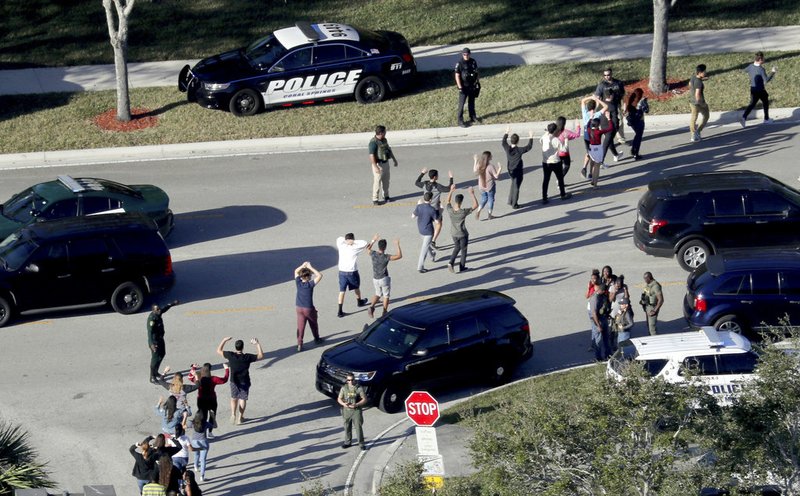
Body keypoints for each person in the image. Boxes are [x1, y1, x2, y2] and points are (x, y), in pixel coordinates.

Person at [216, 336, 264, 425]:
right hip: (244, 381)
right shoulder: (247, 357)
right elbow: (261, 356)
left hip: (234, 380)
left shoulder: (231, 355)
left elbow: (218, 350)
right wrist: (257, 344)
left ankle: (233, 414)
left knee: (233, 398)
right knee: (243, 399)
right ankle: (240, 417)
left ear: (235, 347)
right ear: (243, 347)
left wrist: (224, 340)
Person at [190, 362, 229, 439]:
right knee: (212, 415)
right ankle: (210, 432)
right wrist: (226, 369)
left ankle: (202, 432)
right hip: (212, 400)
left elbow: (191, 377)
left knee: (202, 416)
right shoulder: (214, 379)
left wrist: (193, 368)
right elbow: (224, 380)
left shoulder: (198, 378)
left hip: (201, 399)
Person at [445, 184, 478, 273]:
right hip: (463, 234)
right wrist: (472, 194)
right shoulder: (463, 212)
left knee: (457, 247)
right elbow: (475, 205)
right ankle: (462, 266)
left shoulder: (450, 210)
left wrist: (451, 190)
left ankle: (451, 262)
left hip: (453, 233)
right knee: (463, 250)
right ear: (461, 202)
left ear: (455, 201)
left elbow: (447, 201)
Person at [414, 168, 452, 247]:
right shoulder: (438, 186)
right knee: (439, 224)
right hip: (435, 209)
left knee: (427, 222)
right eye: (437, 175)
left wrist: (422, 173)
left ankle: (427, 238)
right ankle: (433, 240)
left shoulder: (424, 184)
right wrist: (451, 178)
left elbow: (416, 183)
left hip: (426, 207)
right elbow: (448, 188)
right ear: (434, 177)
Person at [594, 67, 625, 162]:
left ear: (612, 74)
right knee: (609, 135)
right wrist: (596, 111)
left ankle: (615, 154)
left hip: (615, 109)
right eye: (605, 75)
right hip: (605, 111)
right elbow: (597, 97)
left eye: (609, 75)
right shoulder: (601, 85)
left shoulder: (618, 83)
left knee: (614, 129)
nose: (607, 77)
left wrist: (624, 105)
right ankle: (601, 159)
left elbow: (623, 95)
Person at [366, 237, 402, 318]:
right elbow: (399, 256)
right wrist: (397, 245)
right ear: (385, 247)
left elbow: (367, 249)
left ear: (378, 246)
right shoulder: (386, 257)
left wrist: (373, 240)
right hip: (384, 278)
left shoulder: (373, 253)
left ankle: (371, 306)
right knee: (386, 295)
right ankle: (384, 312)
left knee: (378, 294)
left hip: (375, 278)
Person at [335, 233, 369, 317]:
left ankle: (340, 311)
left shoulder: (341, 245)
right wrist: (353, 242)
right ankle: (359, 301)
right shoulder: (355, 248)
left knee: (342, 291)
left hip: (342, 272)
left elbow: (339, 238)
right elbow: (364, 242)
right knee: (356, 287)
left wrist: (346, 241)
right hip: (352, 272)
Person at [501, 126, 534, 209]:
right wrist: (531, 137)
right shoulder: (519, 150)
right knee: (516, 187)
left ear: (511, 140)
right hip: (518, 171)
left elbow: (503, 142)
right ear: (518, 141)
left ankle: (510, 200)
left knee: (513, 184)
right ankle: (514, 204)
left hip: (510, 170)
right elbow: (529, 147)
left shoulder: (507, 148)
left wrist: (506, 132)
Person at [741, 51, 777, 126]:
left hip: (753, 89)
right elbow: (766, 80)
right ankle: (766, 119)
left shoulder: (750, 66)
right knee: (765, 102)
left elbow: (744, 70)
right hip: (760, 90)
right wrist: (773, 72)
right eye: (763, 58)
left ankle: (744, 117)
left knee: (752, 104)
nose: (764, 59)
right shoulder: (761, 69)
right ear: (760, 60)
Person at [294, 261, 323, 351]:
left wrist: (302, 266)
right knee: (313, 324)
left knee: (300, 326)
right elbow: (319, 275)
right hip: (308, 309)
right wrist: (310, 267)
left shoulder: (298, 283)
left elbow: (295, 271)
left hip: (299, 308)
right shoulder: (310, 285)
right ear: (308, 277)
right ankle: (317, 339)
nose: (311, 277)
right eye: (310, 275)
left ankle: (299, 344)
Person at [147, 300, 179, 384]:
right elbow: (149, 333)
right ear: (153, 310)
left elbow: (164, 309)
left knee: (162, 354)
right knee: (155, 359)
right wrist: (152, 344)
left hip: (160, 339)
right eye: (157, 309)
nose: (159, 310)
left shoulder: (158, 313)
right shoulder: (152, 319)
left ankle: (156, 372)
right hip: (155, 342)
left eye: (159, 308)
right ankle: (152, 377)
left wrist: (172, 304)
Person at [540, 122, 572, 204]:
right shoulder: (555, 140)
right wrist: (566, 140)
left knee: (546, 180)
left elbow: (540, 141)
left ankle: (544, 197)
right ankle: (563, 194)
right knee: (560, 178)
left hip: (545, 162)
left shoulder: (544, 137)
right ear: (554, 131)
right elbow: (564, 149)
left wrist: (546, 133)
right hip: (555, 162)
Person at [337, 373, 368, 450]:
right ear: (347, 380)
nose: (350, 381)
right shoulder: (344, 388)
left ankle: (361, 443)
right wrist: (344, 404)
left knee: (358, 427)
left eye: (352, 380)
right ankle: (348, 442)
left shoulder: (358, 388)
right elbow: (339, 398)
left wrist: (357, 404)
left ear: (354, 379)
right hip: (346, 410)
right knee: (347, 427)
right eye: (349, 380)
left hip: (356, 410)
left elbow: (364, 399)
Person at [369, 125, 398, 205]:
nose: (386, 133)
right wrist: (376, 167)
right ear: (381, 133)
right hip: (378, 164)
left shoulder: (384, 140)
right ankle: (375, 199)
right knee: (377, 182)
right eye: (385, 132)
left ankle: (386, 196)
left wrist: (394, 160)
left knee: (386, 181)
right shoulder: (373, 143)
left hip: (385, 163)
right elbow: (371, 156)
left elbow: (389, 150)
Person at [579, 96, 608, 176]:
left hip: (586, 135)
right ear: (595, 107)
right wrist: (597, 99)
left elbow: (583, 101)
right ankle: (590, 172)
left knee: (588, 152)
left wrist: (591, 97)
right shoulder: (597, 114)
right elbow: (606, 107)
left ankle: (584, 168)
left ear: (587, 107)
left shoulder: (585, 113)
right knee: (593, 155)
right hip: (594, 136)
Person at [412, 193, 440, 273]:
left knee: (426, 245)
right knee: (424, 249)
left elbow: (413, 216)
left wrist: (417, 206)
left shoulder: (419, 206)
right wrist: (440, 212)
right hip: (428, 231)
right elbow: (437, 222)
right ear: (430, 200)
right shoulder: (432, 209)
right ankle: (420, 267)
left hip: (420, 229)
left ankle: (432, 256)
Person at [455, 47, 480, 128]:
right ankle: (460, 120)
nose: (466, 56)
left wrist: (477, 82)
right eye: (464, 54)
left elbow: (476, 72)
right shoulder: (460, 63)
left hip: (472, 85)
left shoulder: (473, 61)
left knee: (471, 103)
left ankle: (473, 117)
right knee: (461, 104)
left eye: (467, 54)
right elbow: (457, 75)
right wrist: (459, 87)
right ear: (462, 54)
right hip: (464, 87)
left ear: (470, 54)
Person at [473, 151, 503, 220]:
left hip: (481, 186)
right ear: (488, 158)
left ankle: (478, 211)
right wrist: (500, 168)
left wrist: (475, 160)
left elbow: (475, 170)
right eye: (491, 156)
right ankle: (490, 215)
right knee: (490, 199)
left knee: (484, 198)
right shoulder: (490, 166)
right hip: (490, 187)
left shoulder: (479, 165)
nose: (492, 156)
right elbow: (496, 177)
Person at [586, 117, 614, 188]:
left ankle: (592, 180)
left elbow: (587, 125)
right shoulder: (599, 132)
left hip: (591, 149)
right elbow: (610, 128)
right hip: (598, 149)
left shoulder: (589, 130)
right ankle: (595, 185)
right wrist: (609, 119)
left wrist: (590, 118)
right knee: (597, 168)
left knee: (592, 165)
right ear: (598, 125)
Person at [588, 280, 611, 361]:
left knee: (606, 339)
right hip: (597, 321)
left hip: (603, 318)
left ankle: (608, 355)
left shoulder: (601, 296)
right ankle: (598, 357)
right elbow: (594, 313)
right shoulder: (594, 298)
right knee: (598, 340)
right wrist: (598, 325)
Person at [625, 88, 649, 160]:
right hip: (640, 121)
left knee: (637, 135)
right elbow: (646, 110)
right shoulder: (641, 102)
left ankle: (633, 150)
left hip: (632, 121)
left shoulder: (630, 101)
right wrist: (645, 102)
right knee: (638, 137)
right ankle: (635, 152)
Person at [188, 412, 213, 482]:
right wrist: (213, 417)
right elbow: (214, 426)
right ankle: (202, 476)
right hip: (203, 442)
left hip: (194, 442)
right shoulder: (205, 423)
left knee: (196, 454)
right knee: (203, 460)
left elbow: (185, 425)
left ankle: (195, 466)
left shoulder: (192, 423)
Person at [689, 64, 709, 142]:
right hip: (699, 103)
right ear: (700, 72)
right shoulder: (699, 83)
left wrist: (702, 79)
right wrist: (701, 103)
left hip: (692, 102)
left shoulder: (693, 77)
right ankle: (697, 132)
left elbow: (690, 85)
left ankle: (693, 135)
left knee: (693, 118)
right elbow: (697, 94)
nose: (705, 72)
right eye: (704, 71)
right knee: (706, 116)